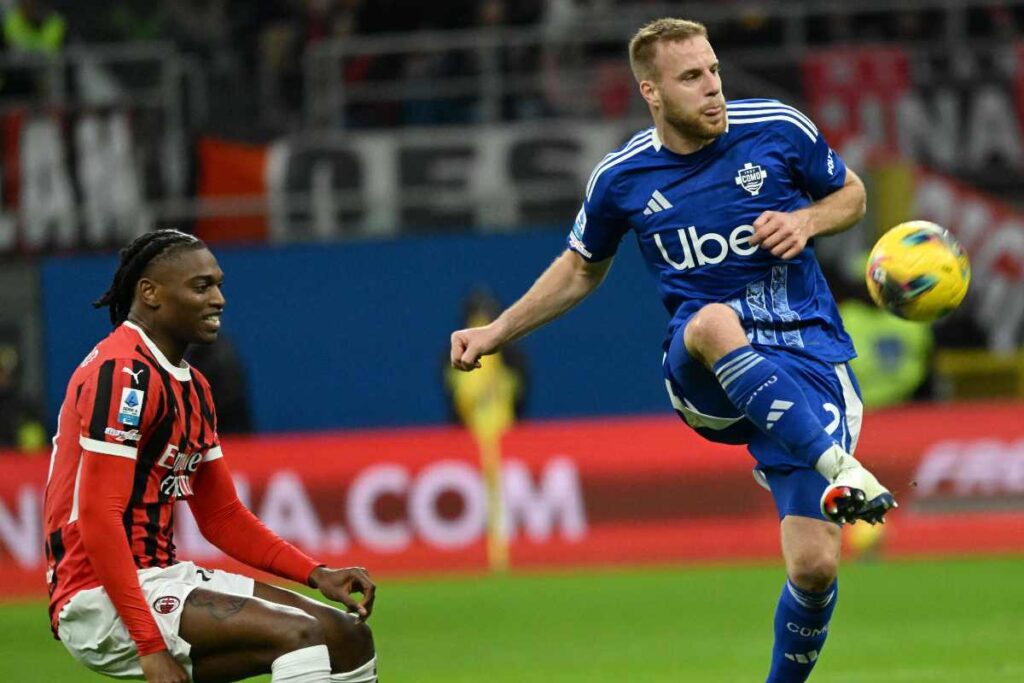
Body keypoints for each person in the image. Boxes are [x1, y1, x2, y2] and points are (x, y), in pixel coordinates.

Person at [450, 18, 895, 683]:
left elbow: (852, 194)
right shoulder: (623, 177)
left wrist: (806, 219)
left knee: (813, 566)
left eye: (714, 71)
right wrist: (496, 332)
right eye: (692, 78)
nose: (713, 89)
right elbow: (579, 269)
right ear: (651, 92)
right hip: (704, 372)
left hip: (806, 360)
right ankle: (843, 468)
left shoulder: (777, 128)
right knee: (712, 319)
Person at [43, 229, 378, 683]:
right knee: (301, 635)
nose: (219, 299)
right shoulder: (123, 375)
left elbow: (221, 515)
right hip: (99, 595)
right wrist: (150, 646)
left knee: (345, 635)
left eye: (219, 285)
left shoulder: (193, 386)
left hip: (163, 577)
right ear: (151, 293)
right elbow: (100, 517)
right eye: (201, 286)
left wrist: (316, 574)